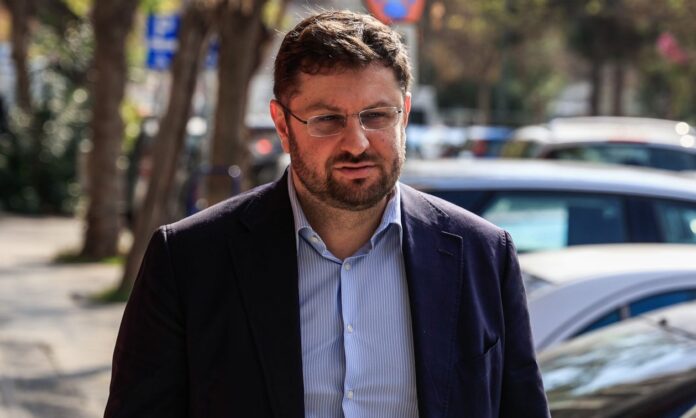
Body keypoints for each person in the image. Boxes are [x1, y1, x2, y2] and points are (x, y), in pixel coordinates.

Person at [105, 10, 549, 418]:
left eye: (377, 115)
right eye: (328, 120)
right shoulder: (189, 261)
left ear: (405, 115)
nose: (357, 142)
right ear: (282, 125)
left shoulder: (483, 255)